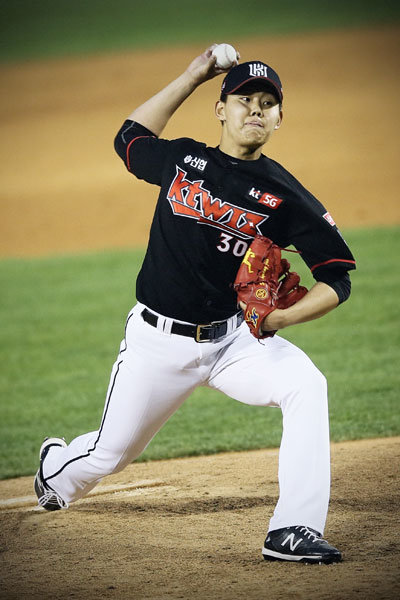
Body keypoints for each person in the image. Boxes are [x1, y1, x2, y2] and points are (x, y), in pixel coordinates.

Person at [34, 45, 356, 564]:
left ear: (278, 118)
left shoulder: (285, 195)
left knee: (306, 383)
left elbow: (336, 278)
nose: (255, 109)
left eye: (266, 103)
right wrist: (195, 73)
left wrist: (280, 318)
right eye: (244, 98)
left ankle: (293, 528)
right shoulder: (184, 159)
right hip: (155, 345)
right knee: (109, 456)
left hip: (234, 343)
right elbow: (129, 138)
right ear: (221, 109)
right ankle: (56, 469)